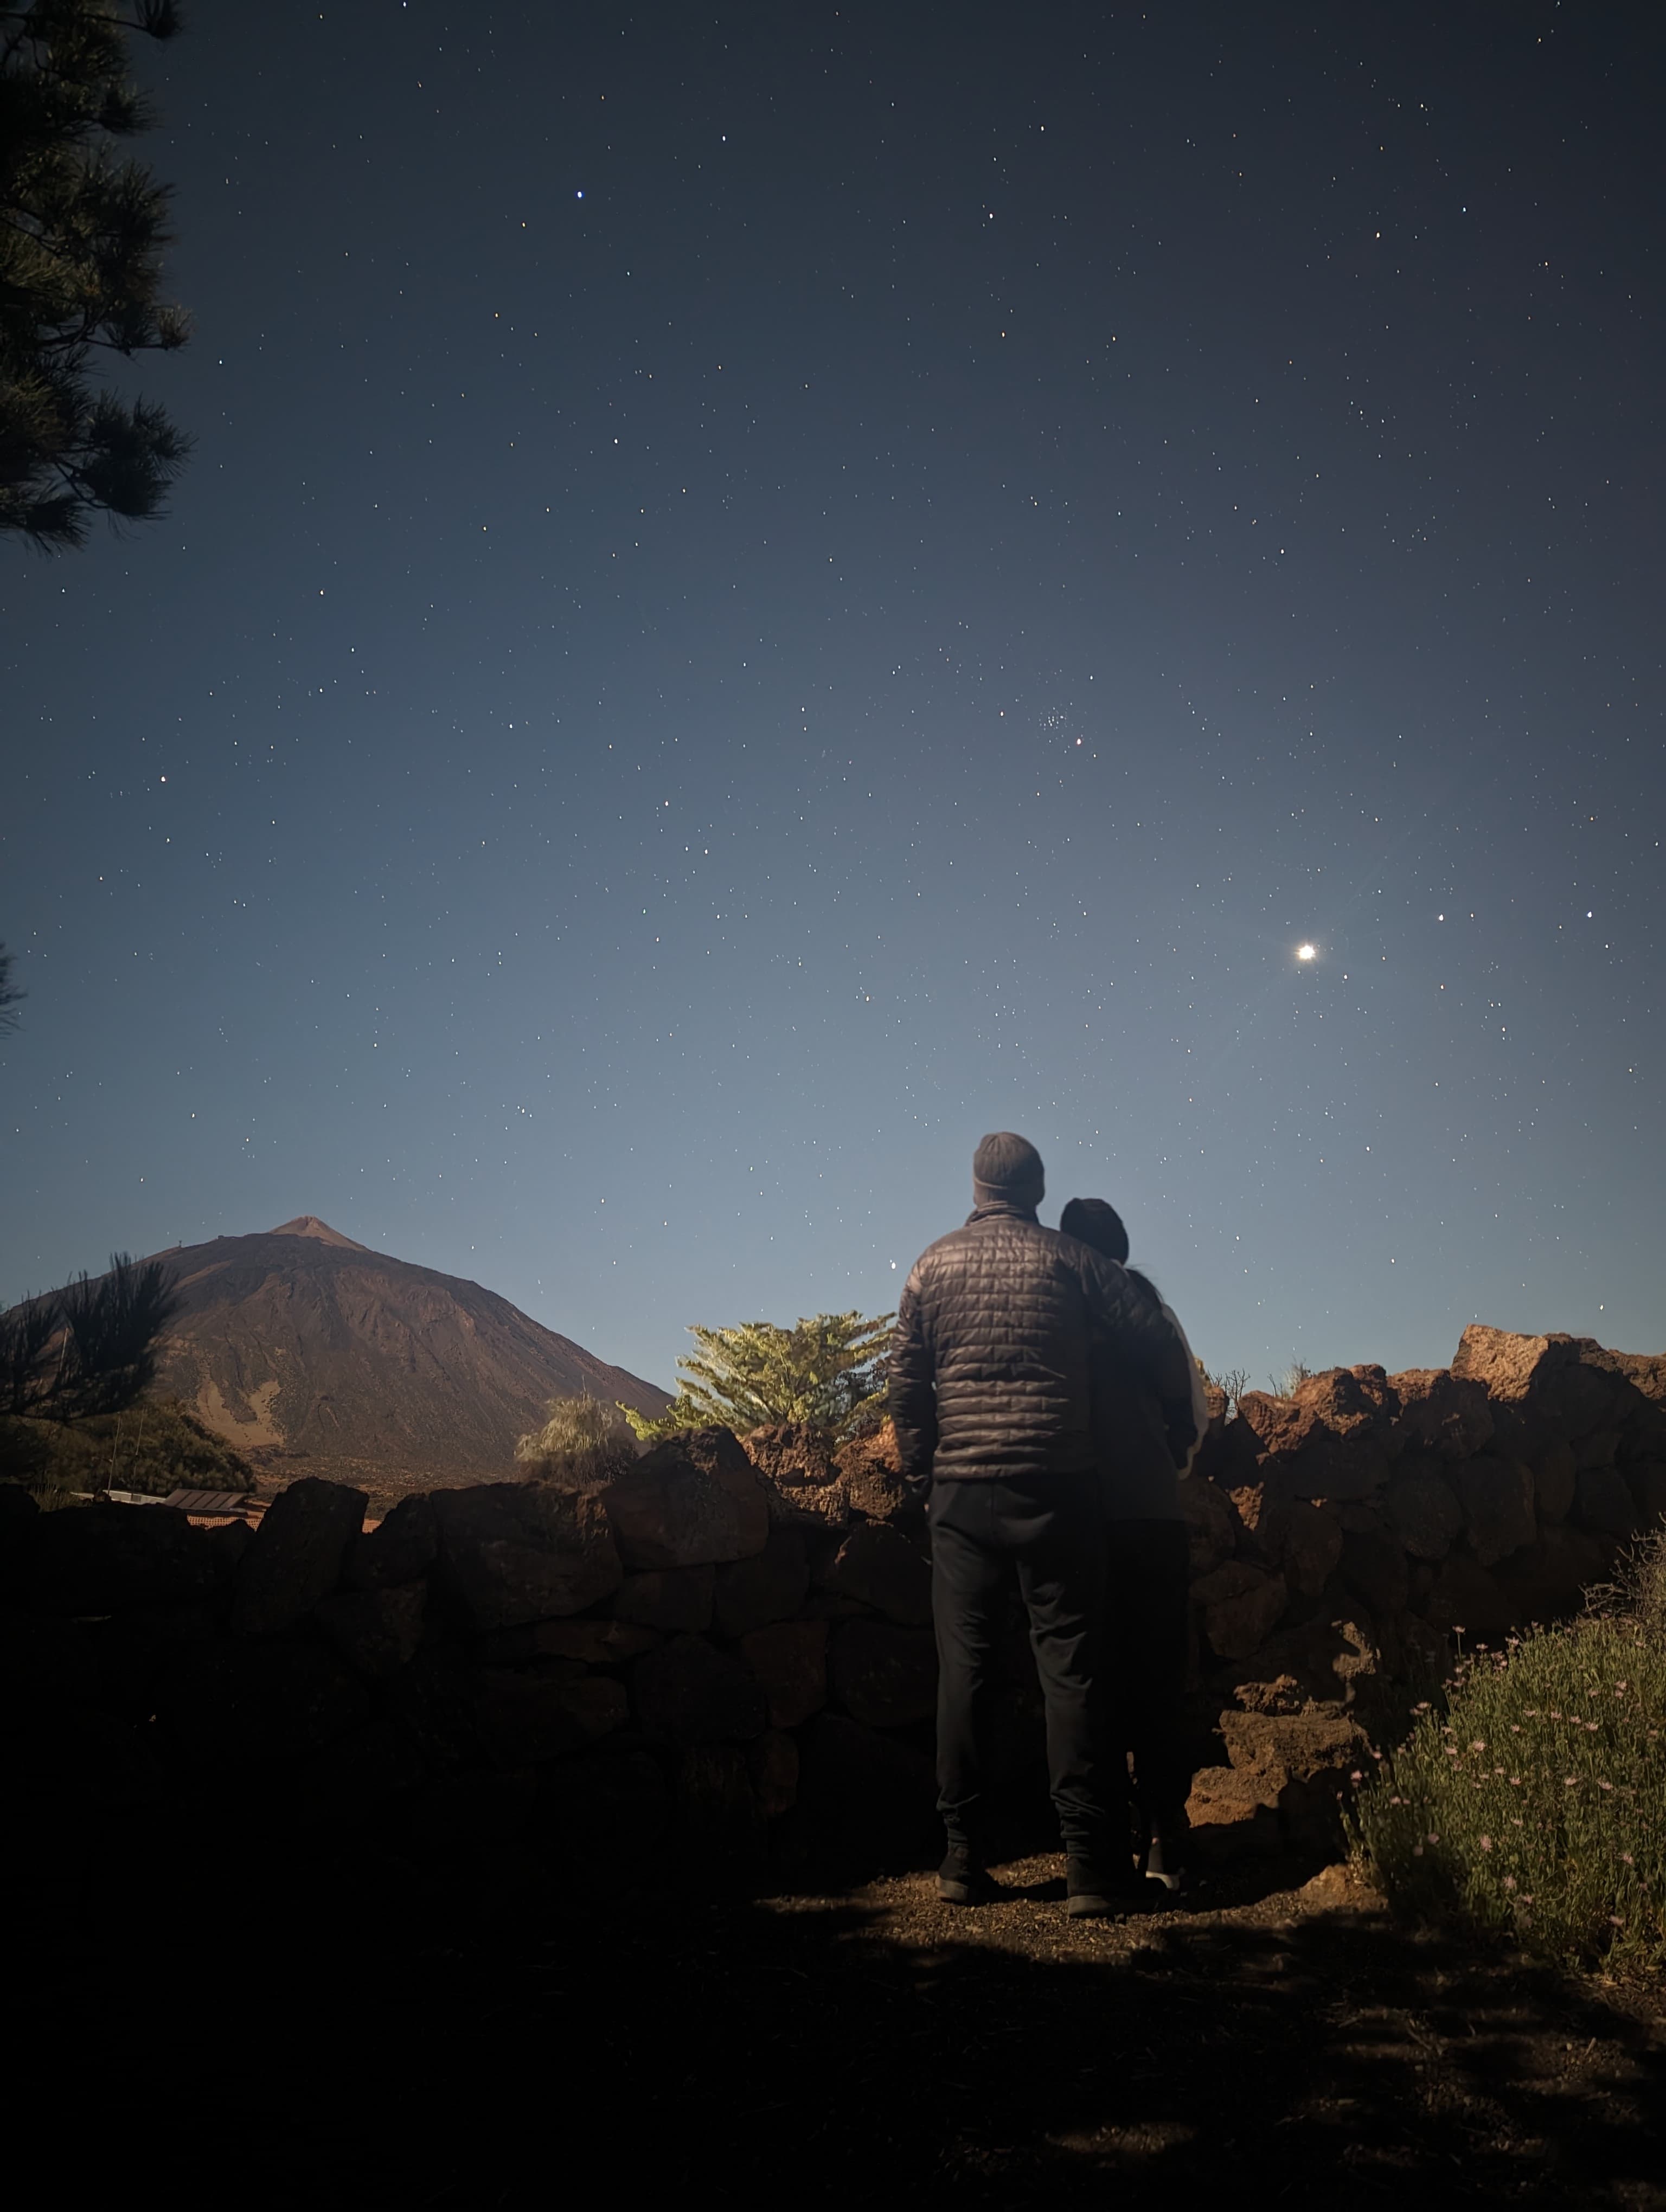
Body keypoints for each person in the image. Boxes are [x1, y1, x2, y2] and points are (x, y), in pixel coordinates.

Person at [890, 1133, 1199, 1917]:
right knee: (1073, 1674)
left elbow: (906, 1387)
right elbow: (1156, 1338)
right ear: (1036, 1189)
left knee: (967, 1675)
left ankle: (961, 1858)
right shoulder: (1071, 1261)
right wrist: (1175, 1422)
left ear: (976, 1185)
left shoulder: (930, 1266)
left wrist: (925, 1477)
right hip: (1058, 1487)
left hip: (961, 1491)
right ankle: (1091, 1870)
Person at [1059, 1196, 1208, 1892]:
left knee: (1087, 1683)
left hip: (1077, 1518)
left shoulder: (1057, 1317)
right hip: (1153, 1515)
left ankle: (1100, 1846)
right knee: (1157, 1680)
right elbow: (1193, 1422)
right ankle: (1165, 1839)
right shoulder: (1154, 1314)